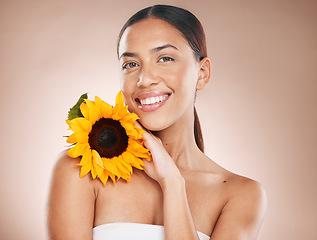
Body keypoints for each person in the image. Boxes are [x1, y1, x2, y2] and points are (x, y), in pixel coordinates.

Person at [47, 4, 267, 240]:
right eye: (131, 64)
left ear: (202, 73)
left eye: (165, 58)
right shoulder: (83, 168)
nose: (144, 79)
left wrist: (173, 184)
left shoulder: (240, 194)